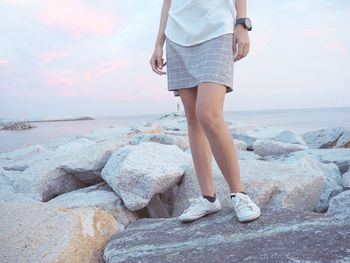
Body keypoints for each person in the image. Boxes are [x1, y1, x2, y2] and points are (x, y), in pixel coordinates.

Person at [149, 0, 261, 223]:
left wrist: (242, 23)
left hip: (217, 29)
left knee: (208, 114)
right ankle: (208, 198)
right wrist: (158, 43)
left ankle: (239, 194)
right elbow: (168, 3)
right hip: (177, 37)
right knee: (193, 119)